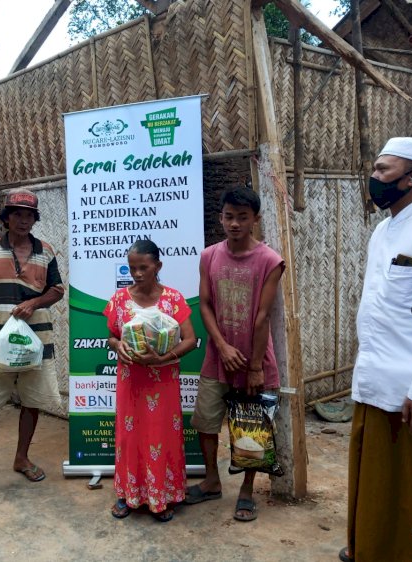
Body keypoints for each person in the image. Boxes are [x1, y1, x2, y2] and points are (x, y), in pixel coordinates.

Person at [339, 137, 412, 562]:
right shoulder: (382, 230)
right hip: (372, 375)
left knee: (407, 488)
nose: (375, 179)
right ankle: (367, 546)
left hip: (409, 388)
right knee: (371, 480)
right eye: (374, 169)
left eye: (384, 170)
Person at [184, 187, 285, 522]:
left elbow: (262, 316)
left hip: (254, 360)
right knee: (206, 421)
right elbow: (206, 305)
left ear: (255, 219)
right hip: (218, 357)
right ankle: (212, 481)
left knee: (251, 426)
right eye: (229, 216)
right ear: (221, 218)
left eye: (243, 217)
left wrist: (255, 367)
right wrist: (223, 346)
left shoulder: (270, 260)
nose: (235, 223)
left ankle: (246, 490)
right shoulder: (209, 256)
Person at [0, 189, 64, 500]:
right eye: (17, 214)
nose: (23, 220)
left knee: (31, 402)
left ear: (35, 219)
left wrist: (35, 302)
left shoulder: (45, 251)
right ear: (6, 218)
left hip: (37, 342)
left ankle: (22, 458)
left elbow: (57, 289)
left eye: (29, 215)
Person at [103, 240, 197, 522]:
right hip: (132, 381)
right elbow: (111, 336)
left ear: (158, 266)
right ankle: (128, 495)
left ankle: (163, 496)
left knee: (162, 436)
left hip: (163, 379)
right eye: (133, 268)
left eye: (144, 267)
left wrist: (164, 356)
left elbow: (191, 340)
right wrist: (117, 346)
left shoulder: (173, 299)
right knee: (129, 438)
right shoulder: (119, 299)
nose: (138, 273)